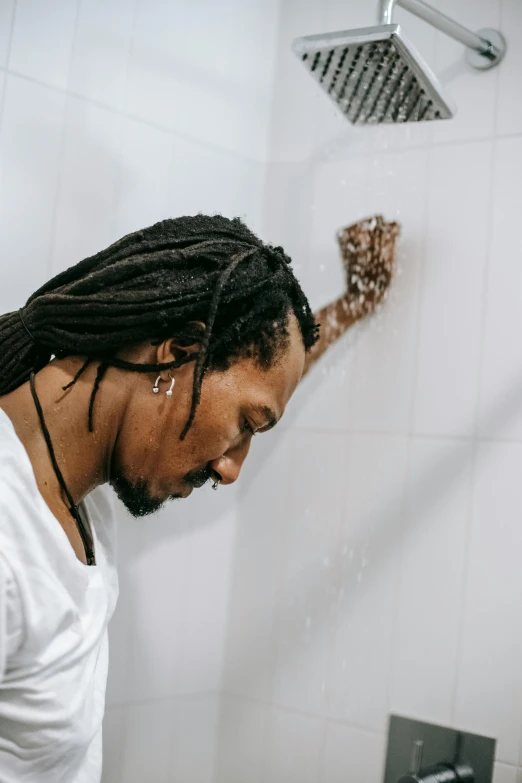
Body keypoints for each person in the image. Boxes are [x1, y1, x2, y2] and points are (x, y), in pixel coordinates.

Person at [0, 213, 399, 782]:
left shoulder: (81, 497)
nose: (231, 468)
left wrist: (352, 306)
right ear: (177, 352)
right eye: (245, 426)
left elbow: (240, 376)